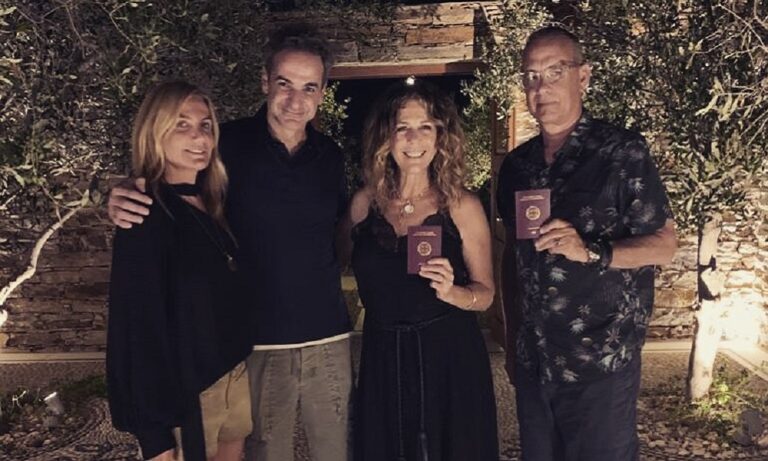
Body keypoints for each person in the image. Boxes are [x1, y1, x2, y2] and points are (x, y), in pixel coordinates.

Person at [107, 25, 352, 461]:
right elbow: (167, 178)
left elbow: (341, 229)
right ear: (265, 82)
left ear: (322, 92)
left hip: (326, 332)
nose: (295, 100)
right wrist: (116, 191)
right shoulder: (226, 147)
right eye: (284, 84)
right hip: (256, 341)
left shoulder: (331, 156)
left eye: (309, 87)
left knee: (335, 451)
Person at [496, 26, 678, 461]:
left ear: (583, 76)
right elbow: (514, 259)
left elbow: (664, 245)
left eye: (555, 72)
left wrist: (592, 250)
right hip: (536, 360)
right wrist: (511, 335)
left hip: (601, 361)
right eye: (532, 75)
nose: (541, 87)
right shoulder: (517, 167)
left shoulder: (621, 152)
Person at [341, 80, 498, 461]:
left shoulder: (462, 206)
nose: (414, 139)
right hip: (383, 358)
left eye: (425, 126)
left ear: (441, 136)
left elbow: (486, 295)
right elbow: (330, 260)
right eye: (402, 127)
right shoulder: (363, 205)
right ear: (386, 137)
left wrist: (454, 292)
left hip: (449, 359)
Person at [107, 81, 253, 461]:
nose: (199, 137)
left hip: (231, 375)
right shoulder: (143, 214)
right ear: (155, 131)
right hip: (186, 393)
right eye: (181, 125)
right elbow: (136, 327)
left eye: (205, 125)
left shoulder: (215, 203)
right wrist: (154, 434)